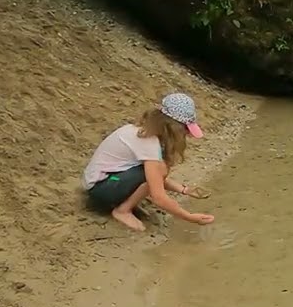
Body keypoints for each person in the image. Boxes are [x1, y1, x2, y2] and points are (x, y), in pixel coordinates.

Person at [81, 93, 215, 232]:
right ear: (173, 127)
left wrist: (183, 190)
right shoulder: (149, 143)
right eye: (185, 129)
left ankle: (126, 202)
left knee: (156, 170)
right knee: (159, 169)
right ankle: (122, 211)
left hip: (107, 180)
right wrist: (190, 217)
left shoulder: (142, 131)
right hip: (100, 190)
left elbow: (154, 177)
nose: (186, 134)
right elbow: (158, 196)